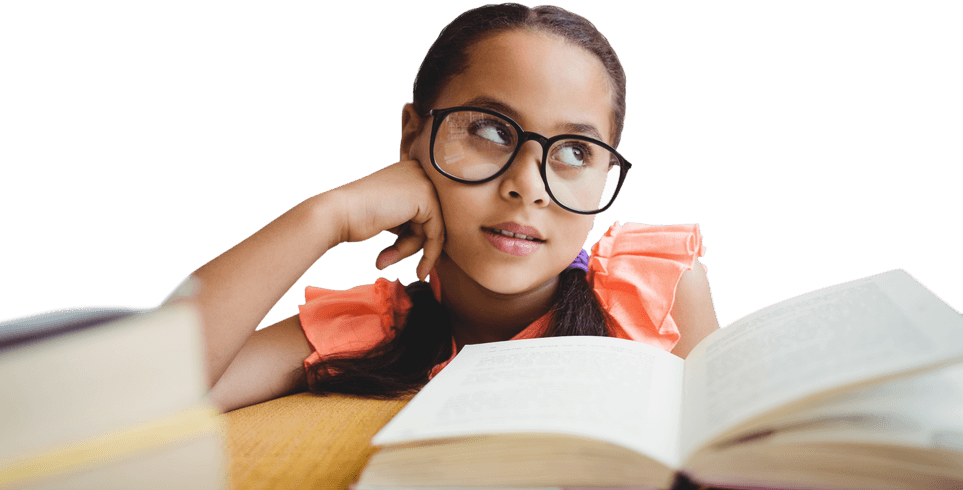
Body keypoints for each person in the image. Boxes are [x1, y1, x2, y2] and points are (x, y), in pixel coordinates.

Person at [172, 3, 722, 414]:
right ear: (413, 135)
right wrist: (328, 215)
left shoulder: (657, 296)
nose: (528, 187)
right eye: (490, 130)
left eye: (575, 152)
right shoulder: (370, 330)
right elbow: (142, 391)